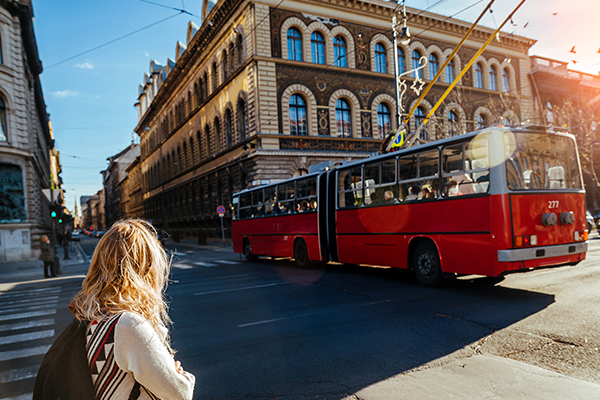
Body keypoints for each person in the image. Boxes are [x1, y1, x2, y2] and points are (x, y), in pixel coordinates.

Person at [69, 219, 195, 400]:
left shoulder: (93, 316)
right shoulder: (129, 325)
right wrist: (182, 377)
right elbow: (181, 393)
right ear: (146, 268)